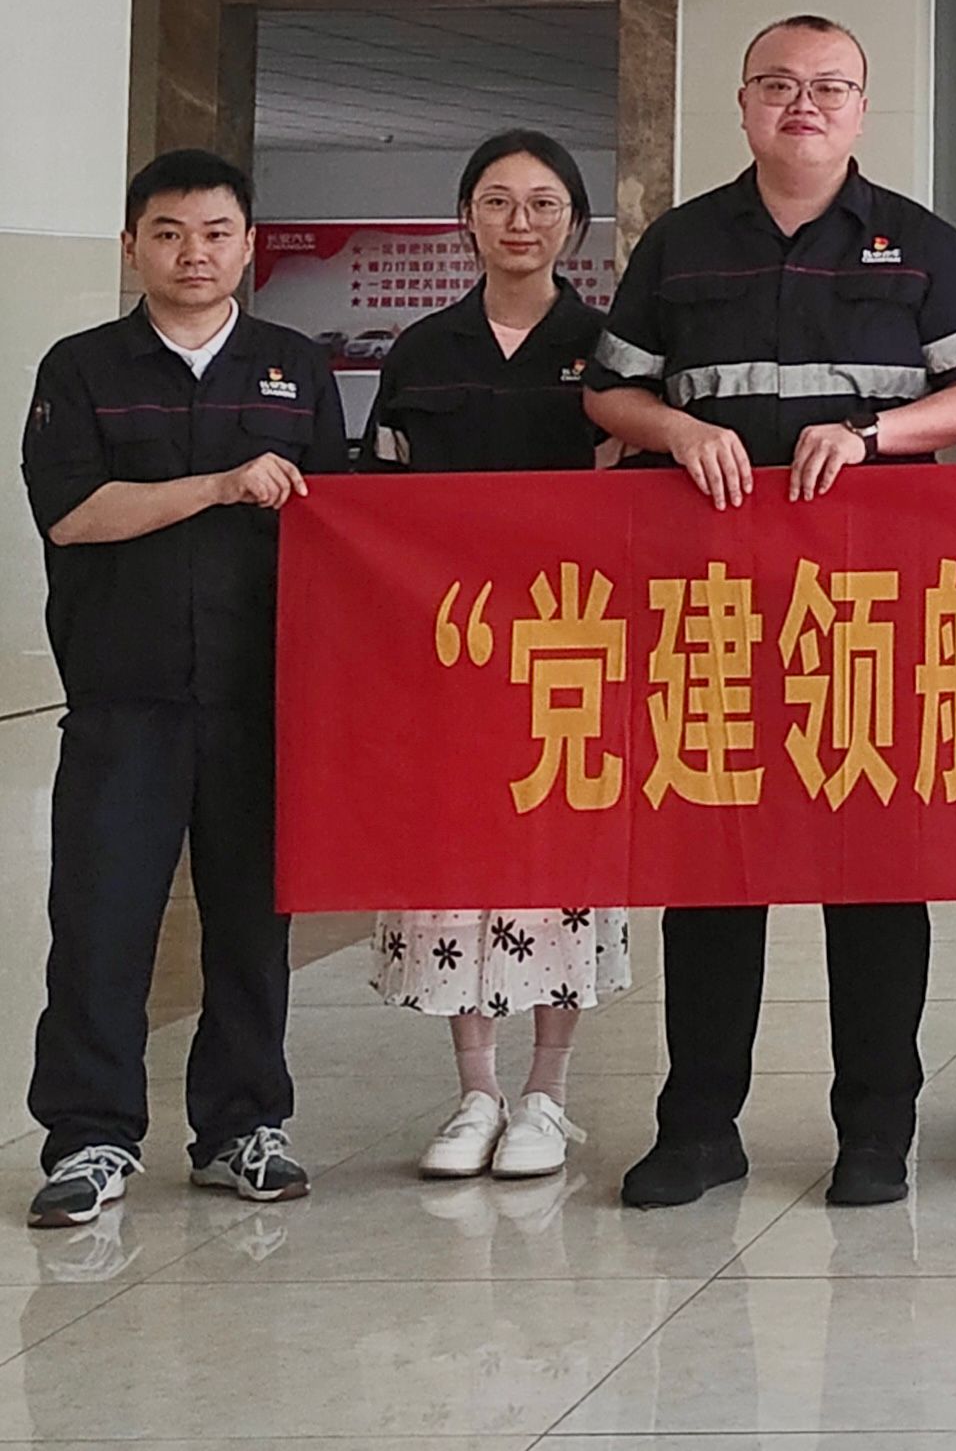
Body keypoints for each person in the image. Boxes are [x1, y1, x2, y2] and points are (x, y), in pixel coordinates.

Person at [586, 15, 956, 1210]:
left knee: (873, 873)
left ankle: (875, 1129)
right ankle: (697, 1128)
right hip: (712, 614)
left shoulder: (919, 243)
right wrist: (676, 429)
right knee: (711, 873)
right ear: (743, 104)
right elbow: (610, 393)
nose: (803, 104)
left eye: (829, 86)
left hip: (875, 613)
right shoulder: (681, 244)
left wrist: (877, 435)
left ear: (862, 108)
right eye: (778, 84)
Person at [22, 150, 343, 1227]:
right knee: (101, 919)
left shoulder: (295, 367)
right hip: (126, 696)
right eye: (167, 233)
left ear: (249, 246)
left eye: (214, 232)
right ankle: (89, 1137)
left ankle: (245, 1127)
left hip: (260, 698)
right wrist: (217, 485)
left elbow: (340, 532)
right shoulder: (81, 368)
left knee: (252, 923)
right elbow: (73, 514)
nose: (192, 253)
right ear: (132, 247)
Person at [366, 129, 628, 1184]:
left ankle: (546, 1095)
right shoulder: (422, 352)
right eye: (497, 201)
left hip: (571, 647)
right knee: (457, 863)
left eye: (544, 203)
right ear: (465, 219)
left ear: (575, 222)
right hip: (450, 654)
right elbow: (377, 505)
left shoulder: (609, 351)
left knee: (560, 868)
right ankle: (475, 1089)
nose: (521, 222)